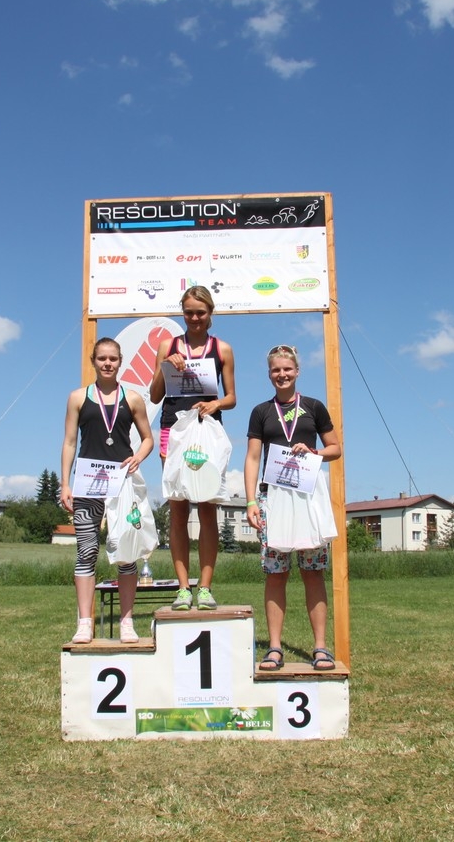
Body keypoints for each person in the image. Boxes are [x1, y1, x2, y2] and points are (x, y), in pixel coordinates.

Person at [244, 345, 342, 672]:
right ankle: (274, 648)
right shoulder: (261, 411)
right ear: (269, 374)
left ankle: (320, 647)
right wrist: (251, 501)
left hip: (307, 497)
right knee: (276, 574)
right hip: (274, 498)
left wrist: (315, 453)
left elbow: (335, 448)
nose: (282, 374)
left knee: (313, 573)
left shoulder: (313, 407)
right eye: (276, 370)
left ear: (297, 371)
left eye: (287, 369)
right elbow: (253, 458)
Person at [61, 338, 155, 644]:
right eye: (102, 358)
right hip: (88, 484)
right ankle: (84, 622)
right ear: (93, 360)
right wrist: (65, 483)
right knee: (86, 551)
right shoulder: (78, 397)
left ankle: (126, 622)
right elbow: (69, 442)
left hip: (122, 485)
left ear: (120, 361)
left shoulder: (133, 398)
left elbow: (148, 438)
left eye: (113, 358)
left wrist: (138, 457)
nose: (107, 363)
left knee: (126, 554)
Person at [149, 286, 236, 611]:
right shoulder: (167, 346)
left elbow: (232, 397)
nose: (195, 318)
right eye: (189, 312)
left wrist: (216, 405)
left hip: (207, 431)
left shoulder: (222, 348)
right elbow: (155, 395)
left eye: (200, 312)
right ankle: (184, 588)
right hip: (173, 431)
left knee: (208, 508)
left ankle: (206, 588)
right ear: (182, 312)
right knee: (178, 508)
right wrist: (165, 366)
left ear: (210, 313)